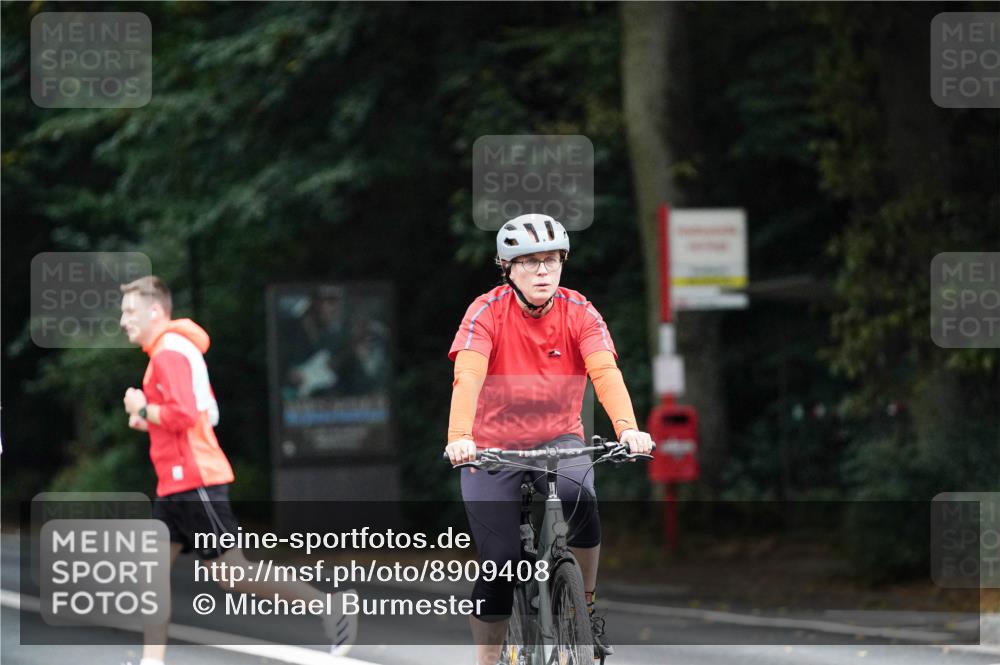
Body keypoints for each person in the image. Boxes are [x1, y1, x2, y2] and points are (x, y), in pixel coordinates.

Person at [444, 214, 654, 665]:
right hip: (491, 448)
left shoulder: (580, 311)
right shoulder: (486, 312)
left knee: (583, 498)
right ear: (507, 267)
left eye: (552, 261)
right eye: (531, 262)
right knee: (499, 562)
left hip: (559, 440)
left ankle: (586, 607)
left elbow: (604, 372)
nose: (543, 271)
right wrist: (460, 436)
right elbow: (468, 375)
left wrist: (628, 429)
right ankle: (486, 659)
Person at [119, 276, 357, 665]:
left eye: (129, 311)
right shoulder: (172, 350)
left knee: (233, 574)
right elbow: (205, 414)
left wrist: (142, 409)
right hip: (175, 483)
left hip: (194, 480)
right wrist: (148, 419)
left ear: (155, 310)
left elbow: (186, 414)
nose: (123, 321)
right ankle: (151, 661)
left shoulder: (168, 353)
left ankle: (329, 606)